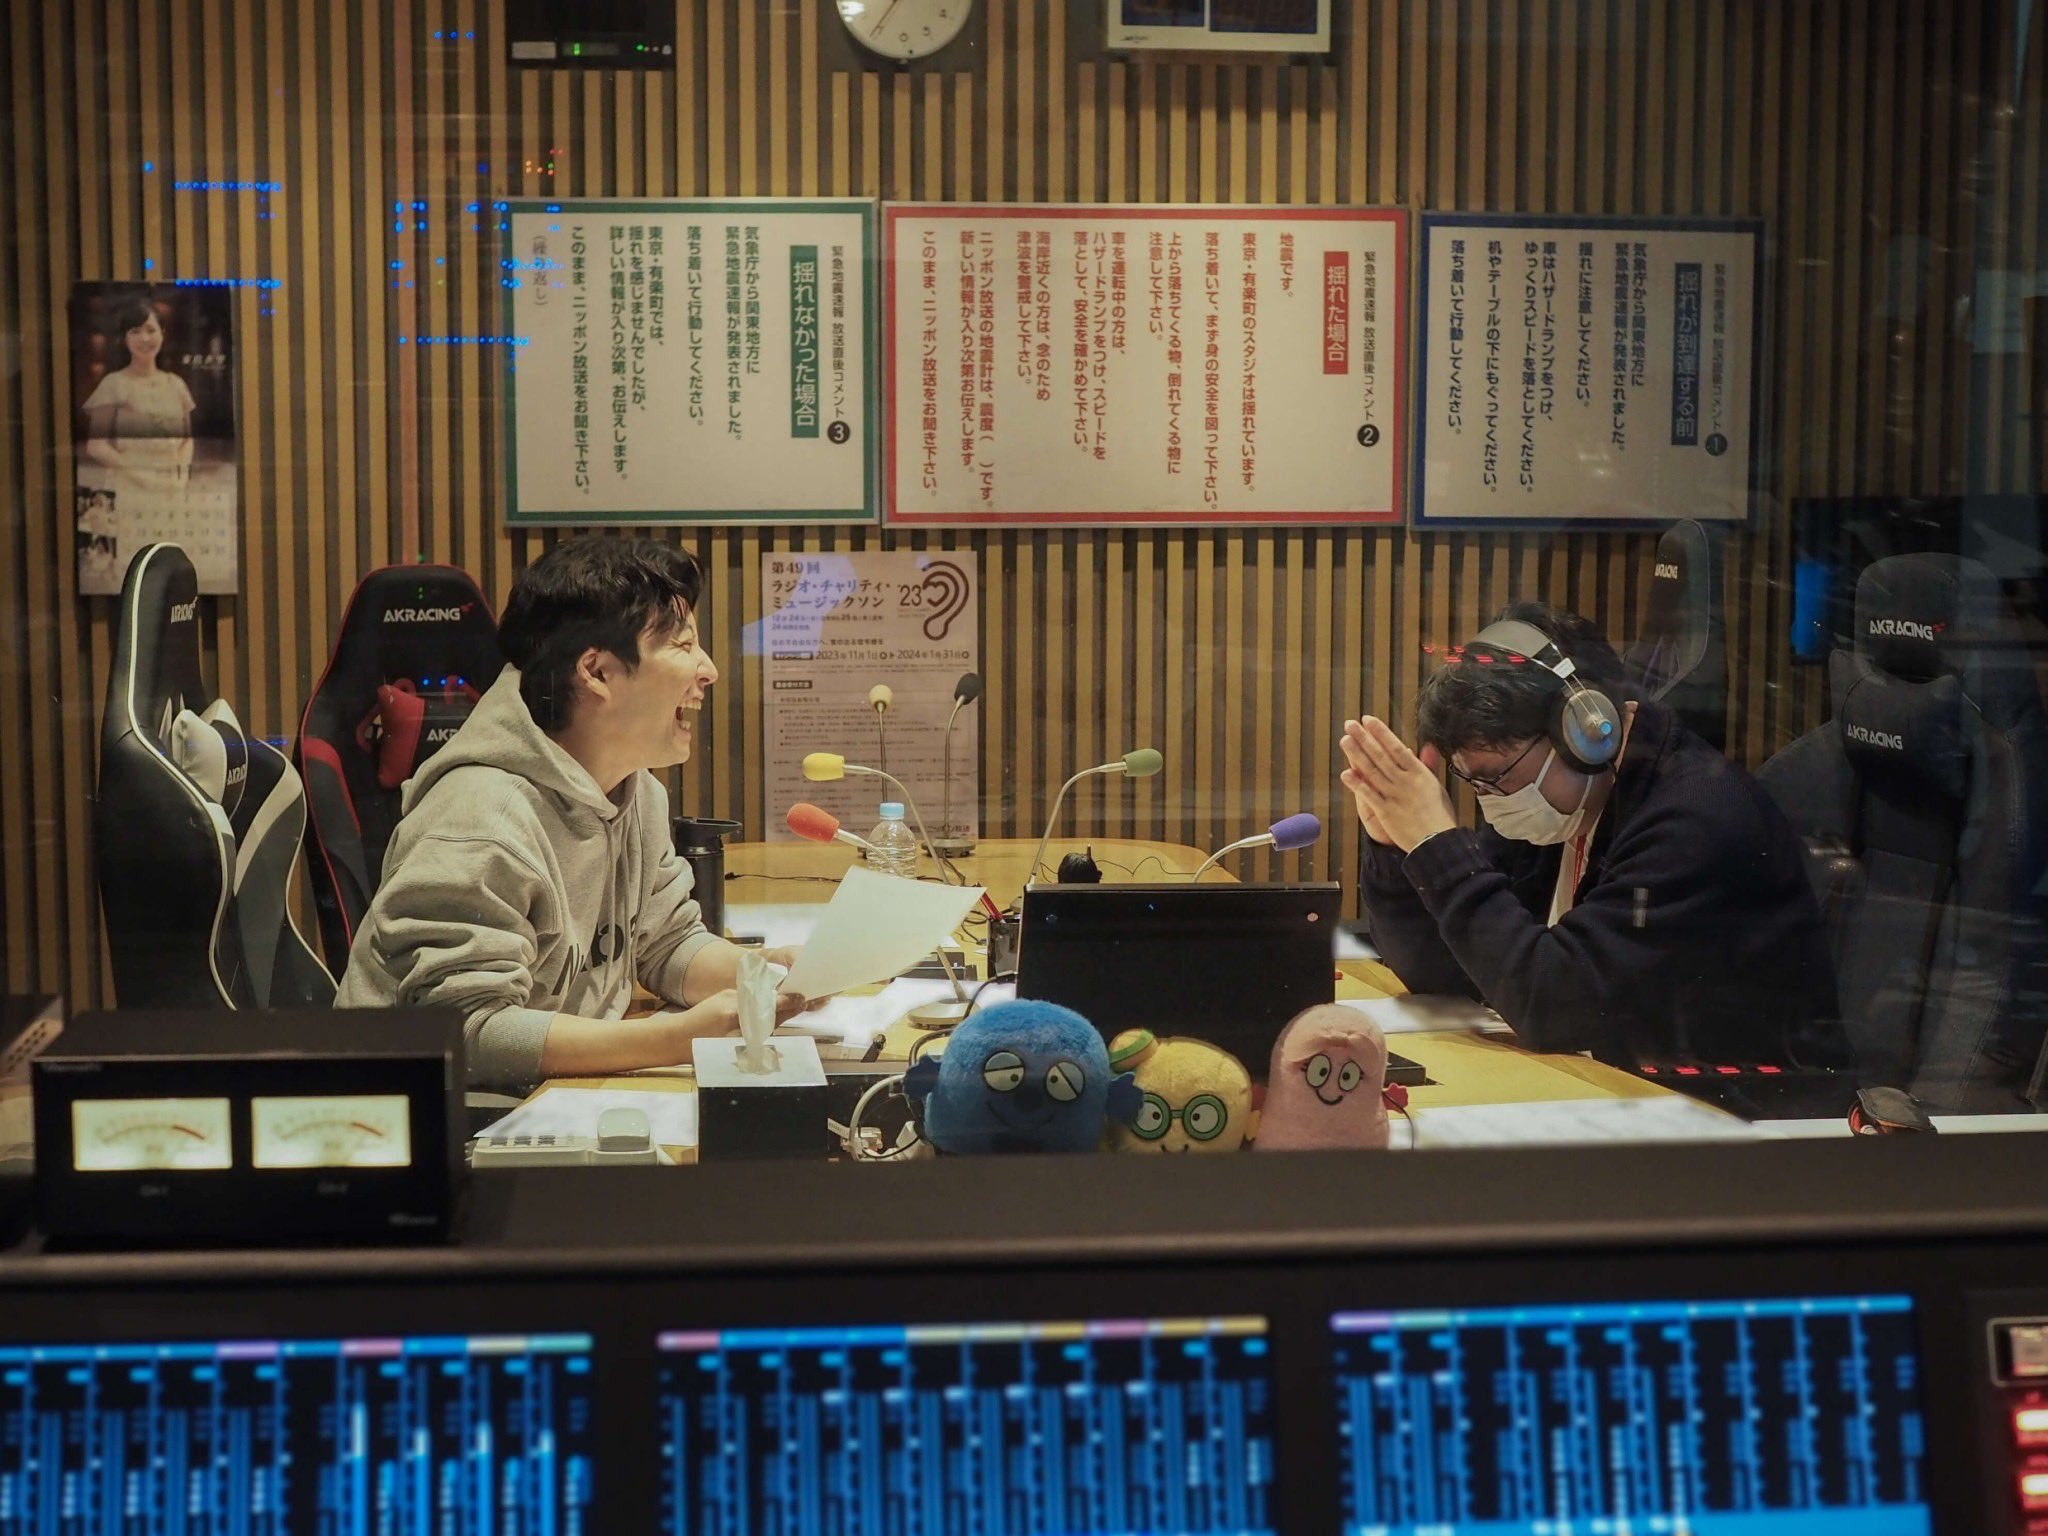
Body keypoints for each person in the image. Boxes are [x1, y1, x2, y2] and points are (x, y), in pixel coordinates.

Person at [338, 536, 810, 1092]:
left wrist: (769, 975)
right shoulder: (481, 821)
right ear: (597, 672)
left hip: (549, 1098)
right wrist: (675, 1038)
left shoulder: (636, 791)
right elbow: (463, 1032)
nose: (707, 670)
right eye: (683, 646)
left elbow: (665, 942)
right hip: (432, 1123)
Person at [1339, 601, 1850, 1085]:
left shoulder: (1696, 821)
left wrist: (1438, 844)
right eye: (1472, 782)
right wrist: (1396, 849)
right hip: (1612, 1085)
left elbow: (1553, 1006)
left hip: (1735, 1111)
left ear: (1586, 731)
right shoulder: (1557, 804)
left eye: (1495, 777)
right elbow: (1447, 973)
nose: (1489, 800)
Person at [80, 295, 195, 495]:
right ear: (125, 338)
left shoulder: (176, 384)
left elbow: (187, 439)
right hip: (129, 488)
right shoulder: (114, 384)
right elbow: (96, 446)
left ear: (162, 334)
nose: (145, 338)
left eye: (151, 330)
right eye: (135, 331)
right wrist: (143, 478)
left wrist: (182, 477)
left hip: (171, 490)